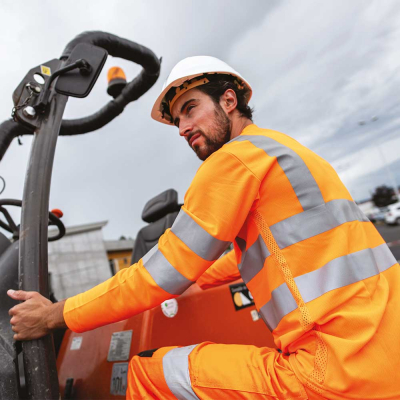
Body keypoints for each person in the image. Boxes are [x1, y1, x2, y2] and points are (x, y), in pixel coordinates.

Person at [8, 56, 400, 400]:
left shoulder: (233, 161)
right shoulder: (287, 151)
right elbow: (264, 254)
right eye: (177, 120)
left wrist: (54, 315)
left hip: (334, 371)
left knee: (147, 370)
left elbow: (157, 277)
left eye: (191, 109)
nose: (182, 127)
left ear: (229, 100)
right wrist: (194, 280)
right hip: (387, 356)